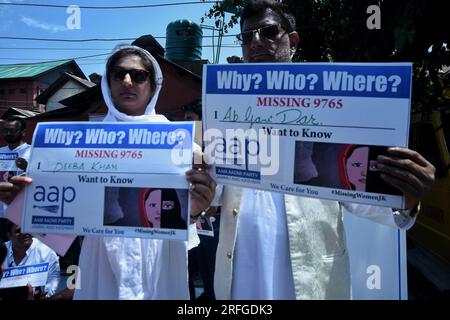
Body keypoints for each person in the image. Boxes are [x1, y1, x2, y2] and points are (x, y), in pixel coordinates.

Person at [214, 0, 436, 300]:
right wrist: (197, 186)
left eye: (268, 32)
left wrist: (404, 198)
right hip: (241, 285)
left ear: (292, 41)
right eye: (247, 35)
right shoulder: (226, 111)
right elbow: (213, 191)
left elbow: (364, 197)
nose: (255, 43)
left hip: (313, 285)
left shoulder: (331, 107)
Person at [0, 46, 216, 300]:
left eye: (138, 75)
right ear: (108, 82)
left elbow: (200, 213)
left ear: (153, 84)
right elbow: (63, 226)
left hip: (159, 261)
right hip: (101, 262)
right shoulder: (78, 147)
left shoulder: (181, 146)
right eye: (118, 74)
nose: (127, 81)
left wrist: (194, 208)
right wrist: (25, 206)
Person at [2, 220, 60, 298]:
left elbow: (52, 285)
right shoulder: (2, 250)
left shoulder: (47, 252)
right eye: (18, 231)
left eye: (27, 229)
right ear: (9, 235)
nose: (24, 233)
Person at [0, 116, 31, 242]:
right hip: (1, 215)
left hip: (21, 214)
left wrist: (28, 167)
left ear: (23, 132)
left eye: (12, 130)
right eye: (5, 130)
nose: (8, 133)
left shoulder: (33, 152)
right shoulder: (0, 152)